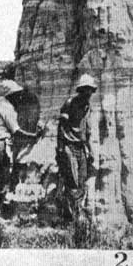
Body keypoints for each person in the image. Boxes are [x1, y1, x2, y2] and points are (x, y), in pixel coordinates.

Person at [0, 80, 42, 219]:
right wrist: (34, 136)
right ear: (11, 95)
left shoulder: (0, 105)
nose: (19, 97)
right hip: (2, 146)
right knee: (3, 180)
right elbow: (16, 131)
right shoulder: (7, 108)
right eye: (17, 95)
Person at [56, 74, 99, 222]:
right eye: (85, 90)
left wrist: (91, 151)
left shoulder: (87, 107)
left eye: (90, 90)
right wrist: (61, 150)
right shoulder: (70, 103)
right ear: (80, 90)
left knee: (81, 181)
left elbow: (86, 131)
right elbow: (61, 127)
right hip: (69, 147)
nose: (88, 93)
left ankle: (75, 214)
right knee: (72, 181)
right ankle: (72, 217)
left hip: (81, 148)